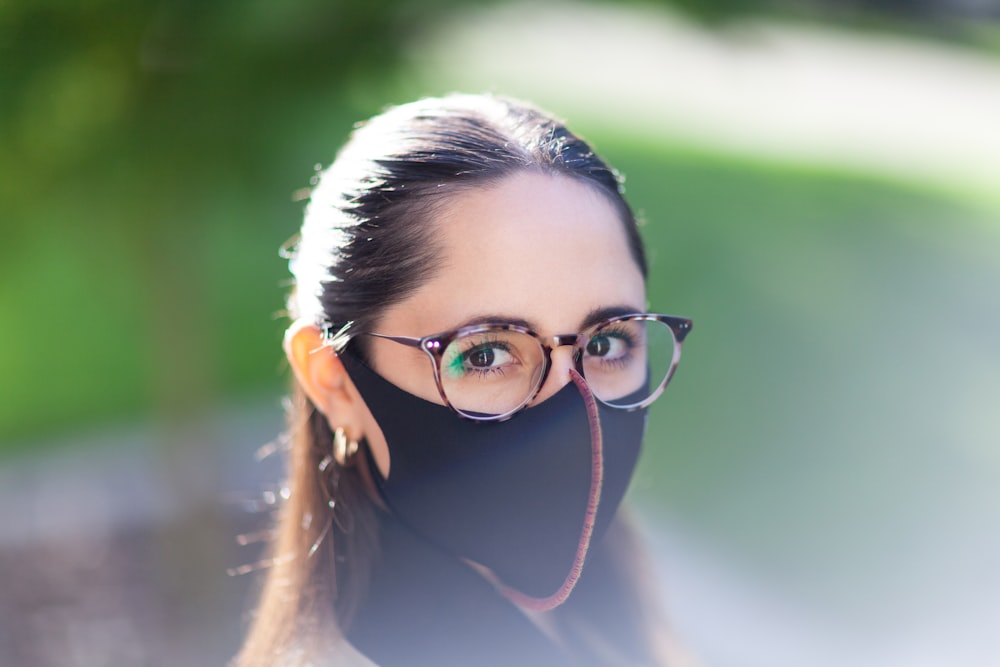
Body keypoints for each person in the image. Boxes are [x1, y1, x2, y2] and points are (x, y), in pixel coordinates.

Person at [233, 93, 693, 667]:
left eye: (604, 344)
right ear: (334, 381)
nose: (570, 414)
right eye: (485, 354)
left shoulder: (600, 606)